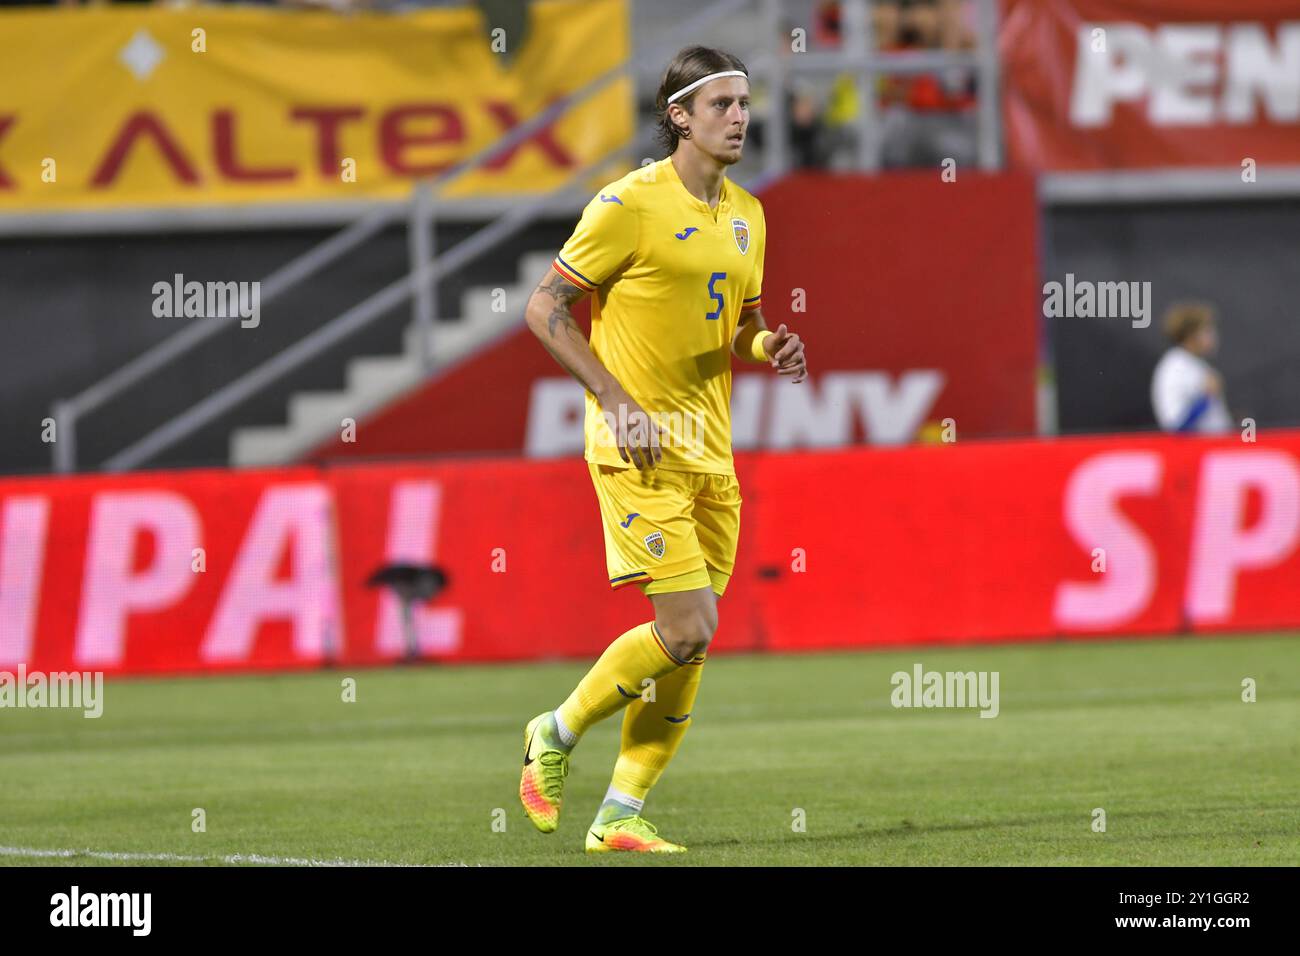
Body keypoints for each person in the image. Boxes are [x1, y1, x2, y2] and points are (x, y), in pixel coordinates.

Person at [518, 45, 808, 853]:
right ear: (678, 115)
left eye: (745, 103)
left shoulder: (750, 213)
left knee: (692, 644)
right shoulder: (627, 204)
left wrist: (767, 346)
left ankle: (619, 814)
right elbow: (546, 309)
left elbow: (739, 323)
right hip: (637, 447)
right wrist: (616, 401)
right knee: (687, 627)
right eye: (721, 104)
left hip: (712, 451)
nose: (740, 117)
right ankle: (555, 730)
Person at [1151, 302, 1232, 434]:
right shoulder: (1174, 367)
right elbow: (1177, 427)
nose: (1213, 336)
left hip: (1214, 448)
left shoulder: (1197, 364)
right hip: (1193, 452)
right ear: (1191, 335)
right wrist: (1206, 397)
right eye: (1207, 330)